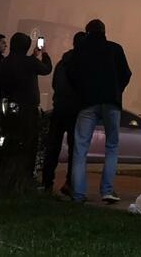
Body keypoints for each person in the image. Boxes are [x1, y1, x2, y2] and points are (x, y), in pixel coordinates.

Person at [68, 19, 132, 204]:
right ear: (104, 31)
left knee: (81, 148)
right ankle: (107, 190)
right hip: (111, 102)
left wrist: (82, 91)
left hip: (87, 103)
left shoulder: (80, 51)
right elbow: (126, 74)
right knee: (111, 146)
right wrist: (116, 90)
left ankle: (78, 193)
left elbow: (71, 74)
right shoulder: (115, 49)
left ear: (87, 32)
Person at [0, 32, 52, 183]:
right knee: (29, 142)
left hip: (9, 107)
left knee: (10, 138)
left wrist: (32, 57)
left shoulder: (6, 61)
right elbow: (46, 69)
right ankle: (25, 176)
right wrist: (44, 53)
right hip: (28, 108)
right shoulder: (30, 62)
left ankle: (6, 173)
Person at [41, 31, 84, 196]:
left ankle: (46, 182)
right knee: (76, 149)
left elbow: (54, 84)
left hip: (59, 108)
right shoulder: (83, 64)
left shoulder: (62, 63)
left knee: (53, 146)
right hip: (76, 110)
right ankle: (70, 183)